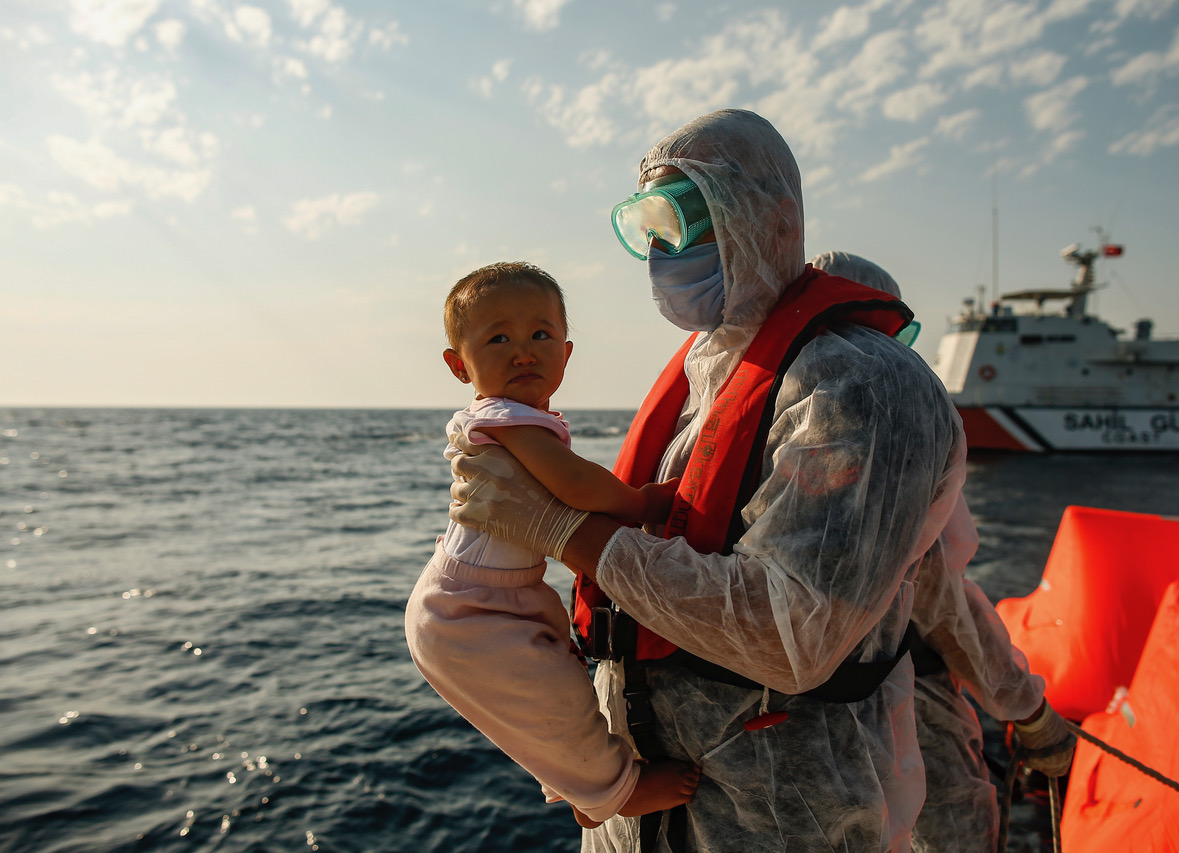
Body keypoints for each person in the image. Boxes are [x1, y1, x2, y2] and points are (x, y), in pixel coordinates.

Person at [439, 109, 1043, 852]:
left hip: (778, 819)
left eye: (685, 219)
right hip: (646, 815)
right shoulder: (708, 381)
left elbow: (792, 633)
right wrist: (582, 766)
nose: (664, 251)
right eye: (649, 229)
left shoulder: (860, 386)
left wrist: (563, 528)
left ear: (775, 218)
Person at [404, 261, 699, 829]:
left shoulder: (524, 419)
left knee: (556, 696)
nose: (523, 352)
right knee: (554, 701)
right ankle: (617, 792)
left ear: (566, 353)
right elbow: (575, 485)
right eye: (498, 338)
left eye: (540, 335)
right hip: (469, 609)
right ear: (457, 364)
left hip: (500, 597)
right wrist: (642, 504)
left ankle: (584, 791)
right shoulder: (504, 417)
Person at [810, 251, 1074, 853]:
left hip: (793, 719)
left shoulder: (783, 419)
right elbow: (940, 598)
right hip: (901, 703)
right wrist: (1027, 710)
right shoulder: (895, 427)